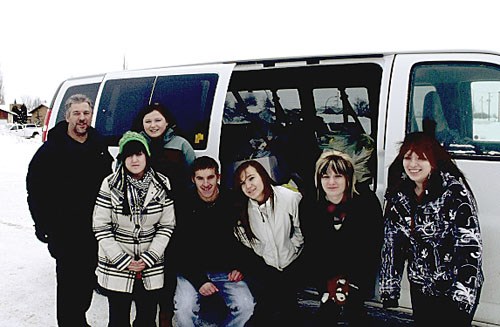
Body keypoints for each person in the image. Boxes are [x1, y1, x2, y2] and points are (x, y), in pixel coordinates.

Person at [379, 132, 484, 327]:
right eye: (408, 157)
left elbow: (469, 245)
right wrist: (389, 288)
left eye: (420, 158)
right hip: (421, 287)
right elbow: (392, 243)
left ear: (433, 160)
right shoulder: (399, 194)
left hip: (455, 285)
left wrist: (462, 296)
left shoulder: (454, 192)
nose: (413, 164)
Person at [26, 94, 113, 326]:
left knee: (85, 284)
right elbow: (35, 191)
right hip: (65, 232)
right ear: (67, 116)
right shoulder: (51, 151)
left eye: (86, 113)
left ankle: (78, 320)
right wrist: (43, 226)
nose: (82, 118)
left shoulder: (98, 145)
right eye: (77, 113)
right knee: (68, 289)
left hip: (94, 230)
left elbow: (110, 182)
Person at [93, 131, 176, 326]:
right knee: (118, 319)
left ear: (146, 156)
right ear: (122, 159)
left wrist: (149, 258)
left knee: (147, 319)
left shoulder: (162, 183)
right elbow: (101, 226)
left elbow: (167, 225)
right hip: (117, 263)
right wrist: (123, 260)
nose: (134, 159)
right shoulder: (110, 184)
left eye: (138, 154)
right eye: (129, 155)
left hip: (150, 263)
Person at [300, 150, 383, 326]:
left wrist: (353, 283)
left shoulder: (366, 201)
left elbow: (372, 246)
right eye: (325, 176)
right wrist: (326, 283)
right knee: (327, 312)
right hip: (326, 272)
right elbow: (314, 248)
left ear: (348, 178)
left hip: (357, 272)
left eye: (338, 176)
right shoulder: (310, 203)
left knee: (355, 313)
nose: (331, 182)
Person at [132, 102, 195, 326]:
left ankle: (165, 316)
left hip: (173, 217)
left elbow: (191, 178)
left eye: (158, 120)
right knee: (146, 270)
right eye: (148, 121)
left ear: (167, 122)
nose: (153, 125)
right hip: (143, 220)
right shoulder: (136, 144)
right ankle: (144, 318)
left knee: (167, 267)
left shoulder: (181, 145)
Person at [173, 156, 255, 326]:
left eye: (210, 177)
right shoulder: (184, 204)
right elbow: (178, 250)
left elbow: (246, 239)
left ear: (218, 177)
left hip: (226, 272)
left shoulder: (233, 201)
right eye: (200, 178)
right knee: (184, 309)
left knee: (246, 306)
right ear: (193, 179)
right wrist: (199, 281)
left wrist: (241, 266)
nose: (206, 184)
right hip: (192, 271)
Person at [233, 159, 305, 326]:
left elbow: (301, 229)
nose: (249, 186)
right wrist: (264, 252)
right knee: (267, 308)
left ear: (263, 176)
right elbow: (245, 239)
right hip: (267, 266)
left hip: (293, 262)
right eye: (243, 183)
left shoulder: (290, 197)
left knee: (287, 308)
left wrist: (293, 248)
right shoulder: (243, 209)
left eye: (251, 178)